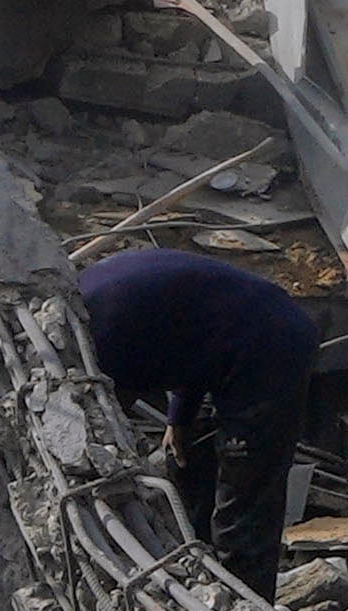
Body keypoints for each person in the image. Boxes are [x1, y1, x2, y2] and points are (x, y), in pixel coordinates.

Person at [74, 244, 326, 587]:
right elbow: (184, 334)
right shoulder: (88, 297)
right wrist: (179, 417)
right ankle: (202, 577)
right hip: (232, 339)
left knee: (244, 497)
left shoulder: (98, 338)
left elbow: (108, 413)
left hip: (270, 349)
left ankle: (245, 607)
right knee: (186, 464)